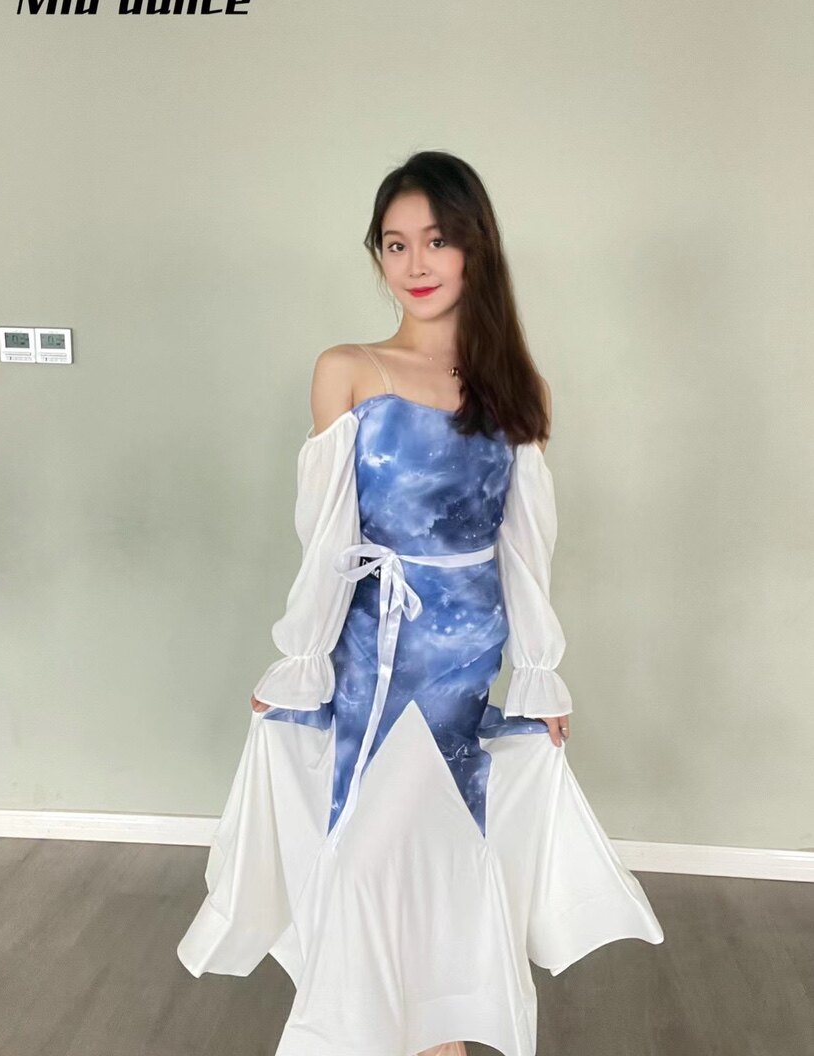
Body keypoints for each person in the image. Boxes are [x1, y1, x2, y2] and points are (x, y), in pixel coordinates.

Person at [176, 150, 664, 1056]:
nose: (415, 263)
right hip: (377, 649)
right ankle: (365, 1031)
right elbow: (327, 539)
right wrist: (301, 658)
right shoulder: (349, 370)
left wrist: (539, 674)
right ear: (378, 256)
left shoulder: (517, 389)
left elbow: (526, 546)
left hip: (468, 653)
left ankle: (442, 1035)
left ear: (475, 247)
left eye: (436, 240)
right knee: (365, 848)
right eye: (395, 244)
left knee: (448, 846)